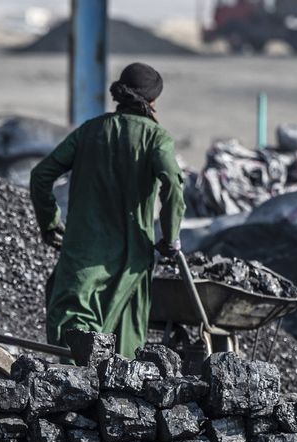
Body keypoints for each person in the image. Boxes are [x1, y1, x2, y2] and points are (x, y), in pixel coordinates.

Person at [29, 62, 185, 358]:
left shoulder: (90, 131)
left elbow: (41, 175)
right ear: (152, 102)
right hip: (131, 264)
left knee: (73, 349)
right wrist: (169, 237)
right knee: (125, 357)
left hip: (83, 258)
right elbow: (174, 187)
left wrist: (50, 222)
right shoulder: (156, 137)